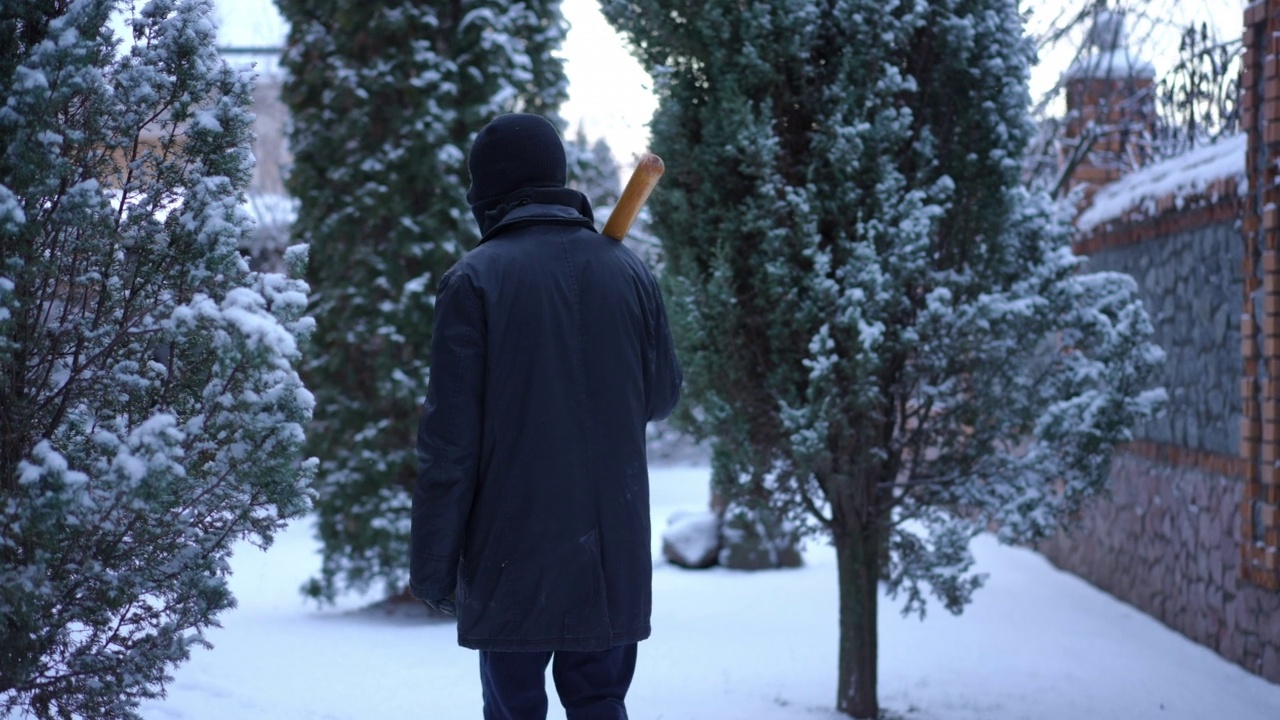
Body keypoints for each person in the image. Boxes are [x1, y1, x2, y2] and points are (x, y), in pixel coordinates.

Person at [410, 113, 683, 720]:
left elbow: (449, 445)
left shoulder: (475, 280)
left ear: (488, 191)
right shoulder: (629, 271)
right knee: (600, 705)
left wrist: (432, 565)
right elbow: (661, 397)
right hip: (611, 555)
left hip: (511, 559)